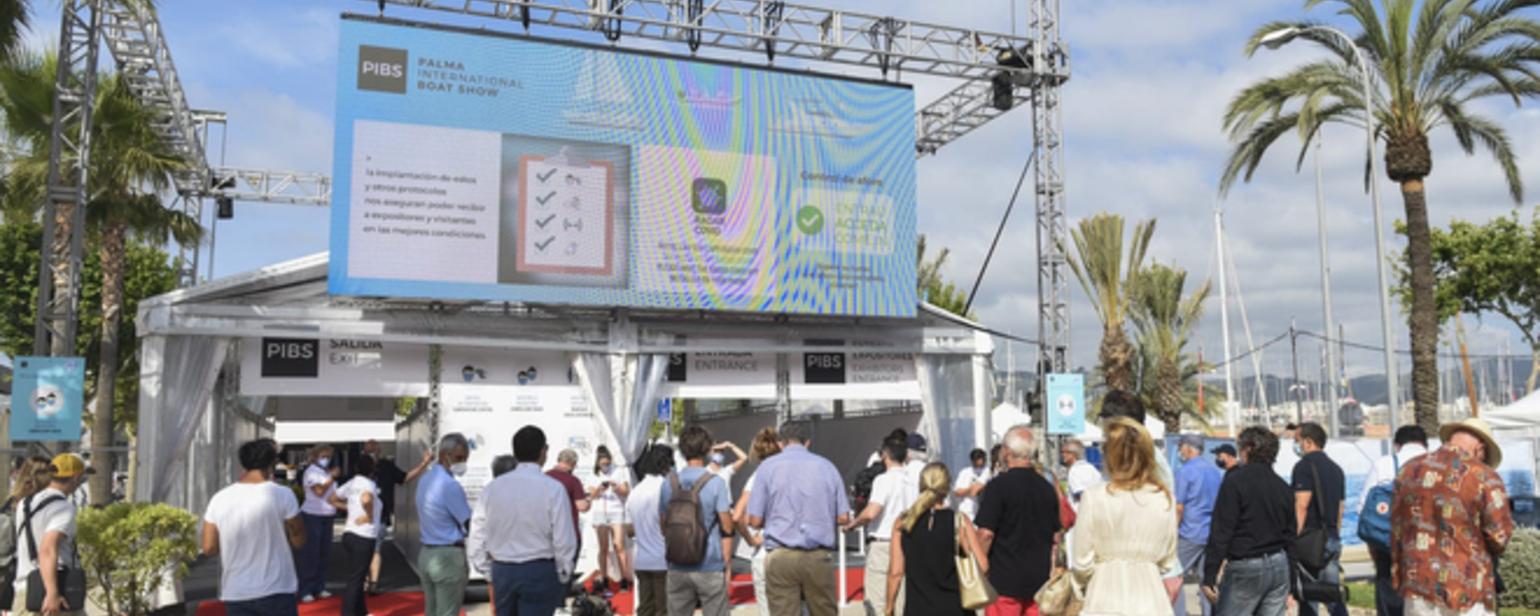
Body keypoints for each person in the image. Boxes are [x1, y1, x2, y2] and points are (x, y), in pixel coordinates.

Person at [1391, 418, 1513, 616]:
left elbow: (1396, 526)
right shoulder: (1484, 476)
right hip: (1467, 587)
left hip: (1417, 583)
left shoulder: (1408, 470)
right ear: (1480, 448)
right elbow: (1499, 536)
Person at [1072, 418, 1178, 616]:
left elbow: (1082, 562)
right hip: (1151, 599)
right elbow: (1167, 561)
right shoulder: (1164, 498)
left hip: (1104, 596)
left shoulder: (1095, 497)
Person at [468, 426, 578, 616]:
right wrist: (563, 571)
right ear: (543, 451)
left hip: (503, 568)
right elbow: (564, 538)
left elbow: (477, 534)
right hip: (539, 569)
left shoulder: (492, 489)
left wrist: (487, 570)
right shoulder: (553, 488)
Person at [746, 419, 851, 616]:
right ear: (807, 442)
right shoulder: (827, 467)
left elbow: (754, 521)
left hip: (780, 556)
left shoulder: (767, 468)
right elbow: (843, 517)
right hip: (818, 555)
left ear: (780, 443)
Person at [202, 440, 306, 616]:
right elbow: (299, 540)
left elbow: (208, 547)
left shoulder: (219, 498)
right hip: (277, 587)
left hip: (236, 590)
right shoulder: (283, 494)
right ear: (272, 463)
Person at [1201, 427, 1296, 616]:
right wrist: (1292, 581)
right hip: (1278, 563)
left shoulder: (1235, 482)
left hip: (1245, 565)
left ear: (1248, 449)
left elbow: (1222, 530)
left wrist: (1210, 573)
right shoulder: (1283, 487)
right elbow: (1291, 537)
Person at [1097, 390, 1181, 602]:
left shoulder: (1146, 461)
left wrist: (1169, 572)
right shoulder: (1140, 458)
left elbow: (1164, 517)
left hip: (1144, 574)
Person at [974, 425, 1060, 616]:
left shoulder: (998, 487)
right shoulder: (1046, 488)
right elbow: (1055, 537)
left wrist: (979, 566)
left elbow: (986, 534)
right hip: (1038, 580)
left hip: (1004, 580)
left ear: (1007, 452)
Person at [885, 462, 985, 616]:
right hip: (956, 607)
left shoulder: (903, 522)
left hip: (917, 609)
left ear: (921, 485)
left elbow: (896, 573)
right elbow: (983, 566)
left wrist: (889, 607)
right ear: (947, 487)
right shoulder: (959, 521)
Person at [660, 426, 734, 616]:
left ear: (682, 451)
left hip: (677, 563)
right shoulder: (716, 483)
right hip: (709, 563)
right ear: (708, 449)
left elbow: (663, 525)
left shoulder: (669, 483)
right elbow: (727, 526)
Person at [1360, 426, 1428, 616]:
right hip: (1428, 550)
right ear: (1425, 444)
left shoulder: (1383, 464)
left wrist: (1375, 553)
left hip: (1389, 547)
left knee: (1390, 606)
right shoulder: (1437, 466)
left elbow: (1364, 512)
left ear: (1396, 445)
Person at [13, 454, 90, 616]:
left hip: (24, 590)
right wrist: (52, 593)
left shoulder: (25, 504)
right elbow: (47, 548)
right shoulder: (63, 508)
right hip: (53, 595)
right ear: (75, 478)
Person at [843, 436, 911, 616]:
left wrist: (854, 523)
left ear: (885, 456)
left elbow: (872, 512)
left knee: (876, 599)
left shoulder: (883, 480)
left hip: (883, 542)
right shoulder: (912, 481)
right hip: (906, 542)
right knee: (901, 598)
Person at [360, 440, 432, 595]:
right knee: (364, 550)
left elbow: (404, 477)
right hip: (362, 518)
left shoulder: (386, 466)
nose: (373, 452)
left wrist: (423, 464)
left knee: (375, 549)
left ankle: (373, 583)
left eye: (375, 448)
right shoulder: (359, 467)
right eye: (369, 449)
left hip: (381, 516)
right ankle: (365, 580)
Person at [1292, 422, 1347, 616]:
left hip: (1310, 540)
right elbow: (1340, 509)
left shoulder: (1303, 467)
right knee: (1332, 595)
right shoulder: (1336, 469)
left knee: (1308, 595)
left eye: (1297, 441)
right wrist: (1335, 535)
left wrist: (1293, 539)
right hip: (1331, 537)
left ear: (1308, 442)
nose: (1296, 445)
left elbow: (1301, 506)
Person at [416, 434, 472, 616]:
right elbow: (468, 522)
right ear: (443, 455)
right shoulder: (449, 485)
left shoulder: (425, 479)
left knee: (432, 611)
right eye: (458, 457)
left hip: (427, 553)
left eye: (465, 458)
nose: (462, 463)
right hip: (447, 556)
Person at [732, 428, 783, 616]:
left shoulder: (756, 477)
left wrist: (751, 539)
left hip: (764, 550)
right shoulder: (790, 473)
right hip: (791, 550)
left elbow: (737, 515)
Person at [1172, 433, 1221, 616]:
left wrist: (1173, 531)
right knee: (1207, 580)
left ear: (1188, 448)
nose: (1180, 451)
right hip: (1210, 532)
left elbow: (1179, 507)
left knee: (1174, 575)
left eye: (1181, 447)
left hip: (1190, 531)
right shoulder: (1214, 472)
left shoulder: (1184, 472)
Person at [333, 455, 382, 616]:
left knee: (358, 576)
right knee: (356, 580)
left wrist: (351, 508)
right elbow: (366, 499)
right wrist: (368, 516)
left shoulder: (352, 483)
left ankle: (361, 612)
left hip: (350, 533)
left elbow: (332, 498)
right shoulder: (369, 484)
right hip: (364, 536)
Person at [628, 445, 674, 616]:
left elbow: (629, 530)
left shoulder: (635, 491)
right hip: (663, 558)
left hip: (642, 559)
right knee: (664, 609)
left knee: (645, 609)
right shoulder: (666, 488)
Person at [298, 444, 339, 602]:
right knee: (311, 553)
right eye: (323, 456)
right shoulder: (311, 472)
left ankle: (319, 586)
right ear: (315, 456)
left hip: (328, 514)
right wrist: (332, 478)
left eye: (329, 456)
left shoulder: (325, 472)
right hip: (312, 514)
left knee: (324, 552)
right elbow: (319, 491)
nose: (326, 459)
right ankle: (305, 588)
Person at [589, 445, 632, 591]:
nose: (605, 466)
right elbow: (591, 495)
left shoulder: (618, 471)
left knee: (619, 545)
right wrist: (599, 489)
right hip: (600, 512)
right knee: (603, 547)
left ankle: (624, 578)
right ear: (597, 463)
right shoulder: (593, 474)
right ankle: (604, 577)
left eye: (607, 463)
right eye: (602, 464)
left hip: (616, 510)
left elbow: (626, 491)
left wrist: (615, 486)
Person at [546, 449, 591, 577]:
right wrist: (589, 499)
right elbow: (582, 506)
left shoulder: (544, 477)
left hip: (546, 535)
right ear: (573, 463)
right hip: (568, 535)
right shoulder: (573, 481)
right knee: (565, 576)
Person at [1060, 440, 1101, 510]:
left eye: (1065, 452)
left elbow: (1081, 494)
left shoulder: (1074, 470)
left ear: (1073, 454)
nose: (1062, 455)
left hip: (1081, 511)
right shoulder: (1092, 468)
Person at [951, 448, 990, 520]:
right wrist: (970, 489)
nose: (978, 461)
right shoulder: (964, 472)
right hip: (966, 512)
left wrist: (972, 489)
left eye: (980, 458)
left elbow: (975, 491)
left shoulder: (987, 471)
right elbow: (957, 492)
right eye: (976, 459)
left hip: (982, 512)